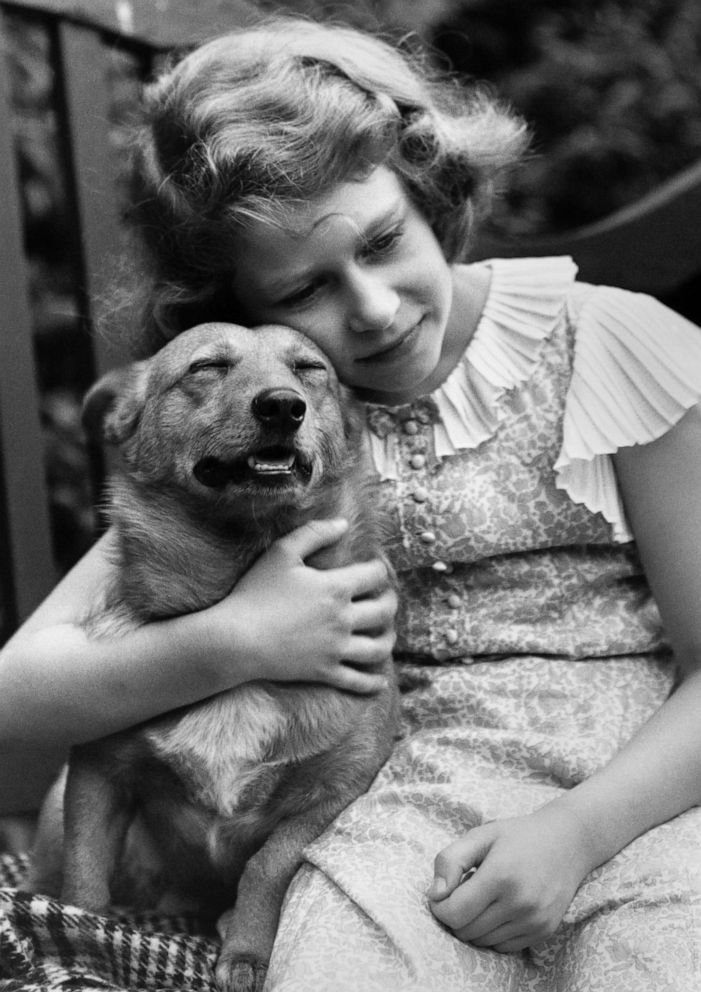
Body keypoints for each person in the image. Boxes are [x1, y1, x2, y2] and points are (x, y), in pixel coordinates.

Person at [2, 15, 701, 992]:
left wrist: (576, 832)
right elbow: (18, 687)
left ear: (429, 193)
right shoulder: (277, 431)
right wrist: (233, 639)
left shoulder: (608, 346)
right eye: (303, 289)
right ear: (237, 305)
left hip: (639, 800)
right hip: (397, 808)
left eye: (381, 240)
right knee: (337, 960)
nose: (369, 308)